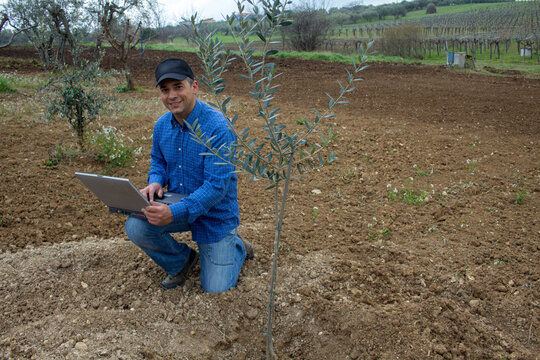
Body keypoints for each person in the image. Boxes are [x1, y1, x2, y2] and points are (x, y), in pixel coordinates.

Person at [125, 57, 253, 293]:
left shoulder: (218, 127)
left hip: (214, 214)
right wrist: (155, 181)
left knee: (215, 288)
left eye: (178, 87)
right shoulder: (162, 125)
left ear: (194, 87)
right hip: (177, 205)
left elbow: (216, 187)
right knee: (136, 227)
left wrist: (172, 212)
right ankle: (182, 261)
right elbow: (158, 160)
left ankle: (236, 247)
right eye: (165, 90)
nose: (171, 95)